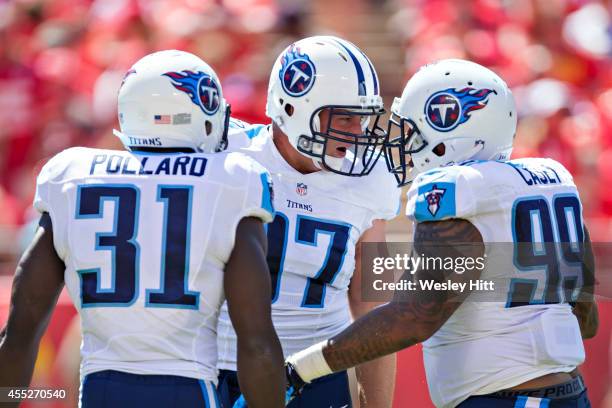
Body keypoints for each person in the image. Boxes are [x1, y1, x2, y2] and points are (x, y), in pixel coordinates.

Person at [284, 59, 598, 408]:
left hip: (505, 398)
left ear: (447, 129)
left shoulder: (459, 190)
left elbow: (415, 317)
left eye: (411, 134)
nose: (401, 145)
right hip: (569, 392)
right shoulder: (551, 180)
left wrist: (301, 368)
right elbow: (585, 319)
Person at [0, 50, 285, 408]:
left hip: (102, 391)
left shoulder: (72, 175)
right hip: (186, 389)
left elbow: (20, 333)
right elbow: (256, 343)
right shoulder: (233, 180)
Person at [216, 36, 401, 408]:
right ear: (293, 106)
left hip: (315, 377)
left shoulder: (371, 178)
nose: (358, 133)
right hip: (220, 366)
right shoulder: (227, 154)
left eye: (363, 117)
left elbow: (373, 306)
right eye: (345, 116)